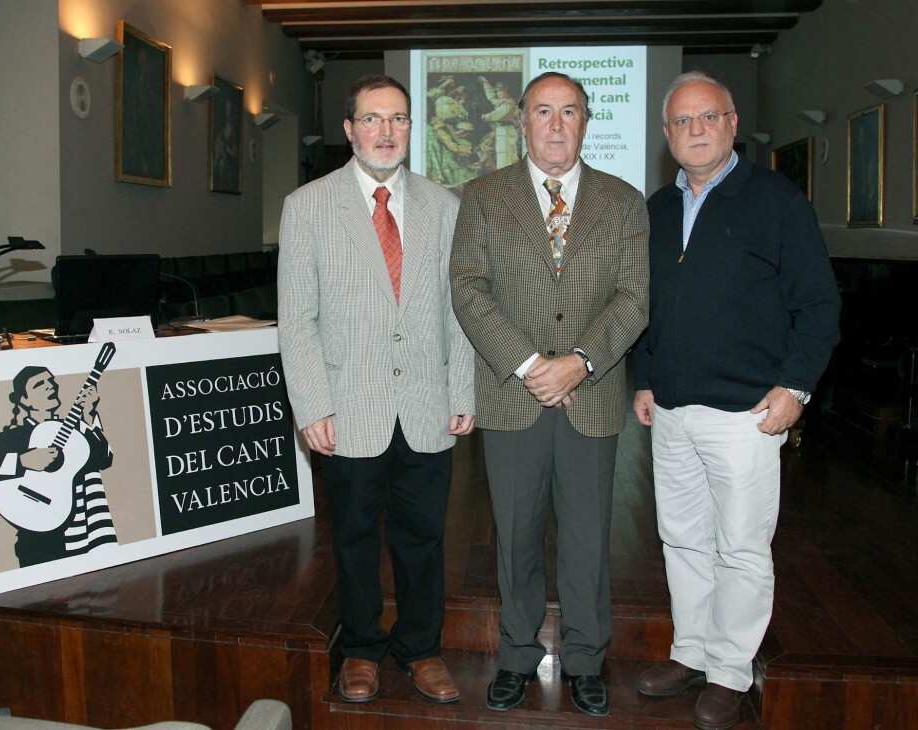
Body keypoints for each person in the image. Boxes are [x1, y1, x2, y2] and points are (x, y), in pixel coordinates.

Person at [632, 71, 840, 730]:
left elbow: (819, 304)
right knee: (682, 540)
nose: (694, 130)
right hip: (671, 409)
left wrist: (796, 387)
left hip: (748, 413)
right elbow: (649, 305)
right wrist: (644, 376)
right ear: (667, 134)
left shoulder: (777, 200)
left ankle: (729, 670)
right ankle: (691, 653)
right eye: (682, 121)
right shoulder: (657, 209)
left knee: (742, 548)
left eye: (707, 117)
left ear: (731, 124)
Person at [450, 71, 649, 717]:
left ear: (586, 121)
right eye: (543, 111)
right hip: (513, 397)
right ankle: (516, 656)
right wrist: (532, 364)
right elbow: (468, 288)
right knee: (515, 539)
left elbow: (634, 297)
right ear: (521, 122)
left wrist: (579, 363)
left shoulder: (623, 200)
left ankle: (586, 660)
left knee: (588, 542)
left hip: (592, 396)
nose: (556, 125)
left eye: (569, 111)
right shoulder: (482, 196)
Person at [277, 74, 475, 706]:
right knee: (355, 538)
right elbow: (296, 319)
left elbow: (459, 310)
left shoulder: (444, 206)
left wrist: (461, 391)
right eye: (372, 119)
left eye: (398, 119)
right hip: (348, 409)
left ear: (412, 128)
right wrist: (312, 405)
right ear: (349, 129)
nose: (386, 131)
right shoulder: (307, 206)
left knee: (424, 540)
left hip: (425, 406)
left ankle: (421, 648)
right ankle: (361, 649)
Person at [0, 365, 117, 568]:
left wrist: (89, 414)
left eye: (51, 381)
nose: (50, 386)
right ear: (23, 400)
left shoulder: (76, 430)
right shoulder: (14, 437)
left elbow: (105, 459)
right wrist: (22, 461)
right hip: (41, 541)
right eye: (39, 384)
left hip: (89, 532)